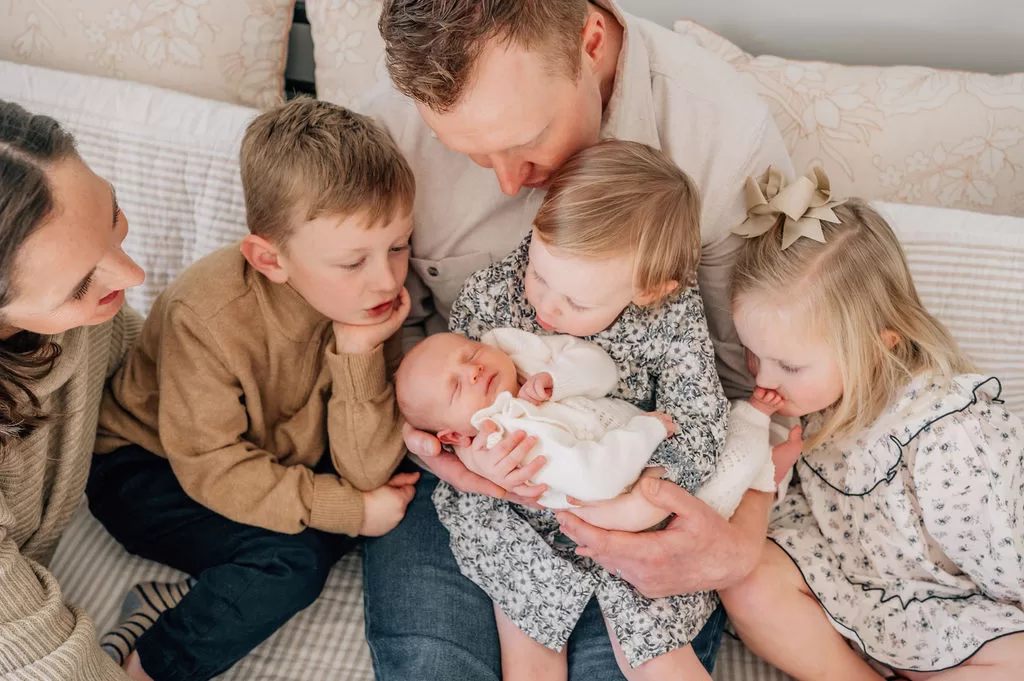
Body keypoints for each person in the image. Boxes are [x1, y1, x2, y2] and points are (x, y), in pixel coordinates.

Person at [361, 2, 794, 677]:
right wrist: (440, 443)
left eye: (525, 140)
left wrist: (737, 542)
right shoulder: (395, 129)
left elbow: (752, 384)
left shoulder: (721, 134)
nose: (508, 183)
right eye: (469, 156)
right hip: (472, 467)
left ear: (590, 41)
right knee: (433, 662)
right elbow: (384, 330)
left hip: (645, 475)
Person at [86, 98, 419, 681]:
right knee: (295, 560)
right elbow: (210, 464)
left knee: (377, 516)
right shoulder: (207, 312)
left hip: (269, 454)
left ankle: (178, 598)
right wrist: (349, 509)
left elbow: (366, 471)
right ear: (270, 259)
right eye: (352, 261)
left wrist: (359, 354)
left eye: (398, 246)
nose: (388, 279)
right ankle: (147, 666)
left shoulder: (368, 308)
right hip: (149, 466)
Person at [718, 167, 1024, 680]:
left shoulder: (949, 432)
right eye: (753, 355)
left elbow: (1005, 550)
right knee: (746, 581)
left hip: (948, 612)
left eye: (789, 366)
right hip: (839, 592)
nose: (764, 380)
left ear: (878, 344)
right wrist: (767, 476)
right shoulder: (789, 411)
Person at [0, 99, 145, 680]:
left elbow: (150, 369)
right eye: (81, 283)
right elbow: (40, 657)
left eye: (112, 216)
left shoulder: (78, 321)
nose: (132, 275)